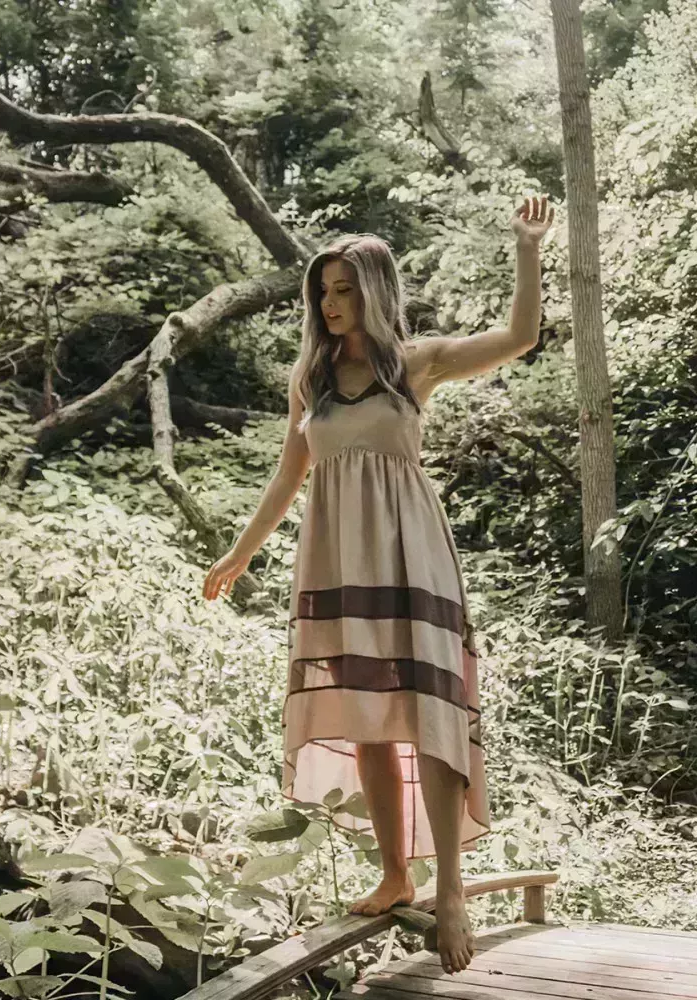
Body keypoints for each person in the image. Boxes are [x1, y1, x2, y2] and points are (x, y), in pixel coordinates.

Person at [203, 195, 555, 975]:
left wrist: (527, 249)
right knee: (366, 716)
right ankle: (396, 873)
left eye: (344, 290)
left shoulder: (415, 363)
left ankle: (450, 889)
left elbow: (520, 337)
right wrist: (239, 553)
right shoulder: (312, 380)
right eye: (322, 292)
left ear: (373, 291)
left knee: (430, 713)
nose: (330, 305)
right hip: (336, 559)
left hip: (411, 553)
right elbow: (287, 478)